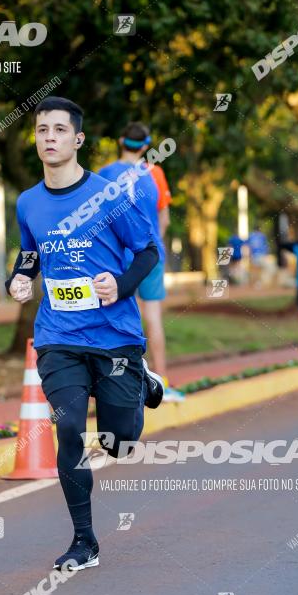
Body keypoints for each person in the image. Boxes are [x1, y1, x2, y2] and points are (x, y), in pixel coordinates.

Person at [6, 97, 165, 571]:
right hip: (58, 336)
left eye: (59, 130)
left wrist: (120, 285)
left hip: (114, 334)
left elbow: (148, 251)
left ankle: (141, 379)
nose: (49, 137)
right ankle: (84, 541)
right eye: (41, 130)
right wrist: (18, 278)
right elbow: (30, 254)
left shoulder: (111, 196)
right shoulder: (28, 202)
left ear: (78, 140)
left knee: (120, 442)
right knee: (70, 426)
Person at [98, 122, 184, 402]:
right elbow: (165, 219)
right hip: (149, 254)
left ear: (121, 141)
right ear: (146, 146)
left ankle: (118, 387)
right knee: (154, 318)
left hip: (117, 258)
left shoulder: (104, 175)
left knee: (117, 321)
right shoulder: (155, 172)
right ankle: (162, 384)